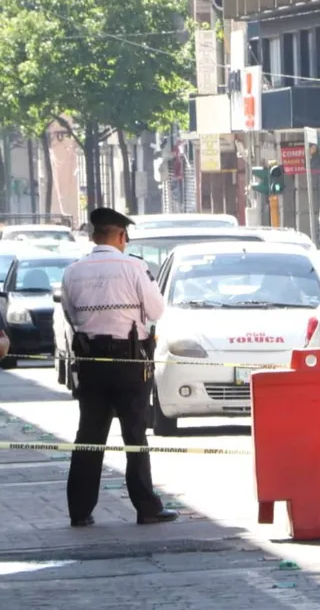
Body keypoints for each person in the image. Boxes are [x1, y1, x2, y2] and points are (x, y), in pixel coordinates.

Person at [61, 208, 177, 528]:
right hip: (129, 361)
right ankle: (146, 507)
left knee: (89, 435)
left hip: (91, 361)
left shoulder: (73, 271)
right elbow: (156, 309)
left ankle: (80, 510)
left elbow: (70, 314)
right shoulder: (135, 267)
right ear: (121, 236)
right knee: (135, 434)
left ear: (94, 236)